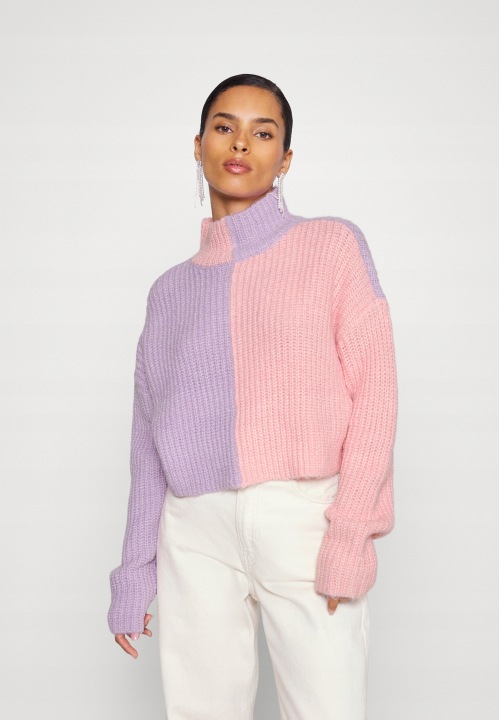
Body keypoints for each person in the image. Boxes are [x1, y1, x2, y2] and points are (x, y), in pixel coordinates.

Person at [107, 73, 398, 719]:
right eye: (224, 127)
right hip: (194, 533)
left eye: (263, 133)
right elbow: (147, 446)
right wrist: (134, 572)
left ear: (285, 158)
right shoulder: (168, 293)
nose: (241, 144)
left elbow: (376, 396)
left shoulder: (331, 245)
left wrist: (350, 535)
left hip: (306, 521)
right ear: (198, 145)